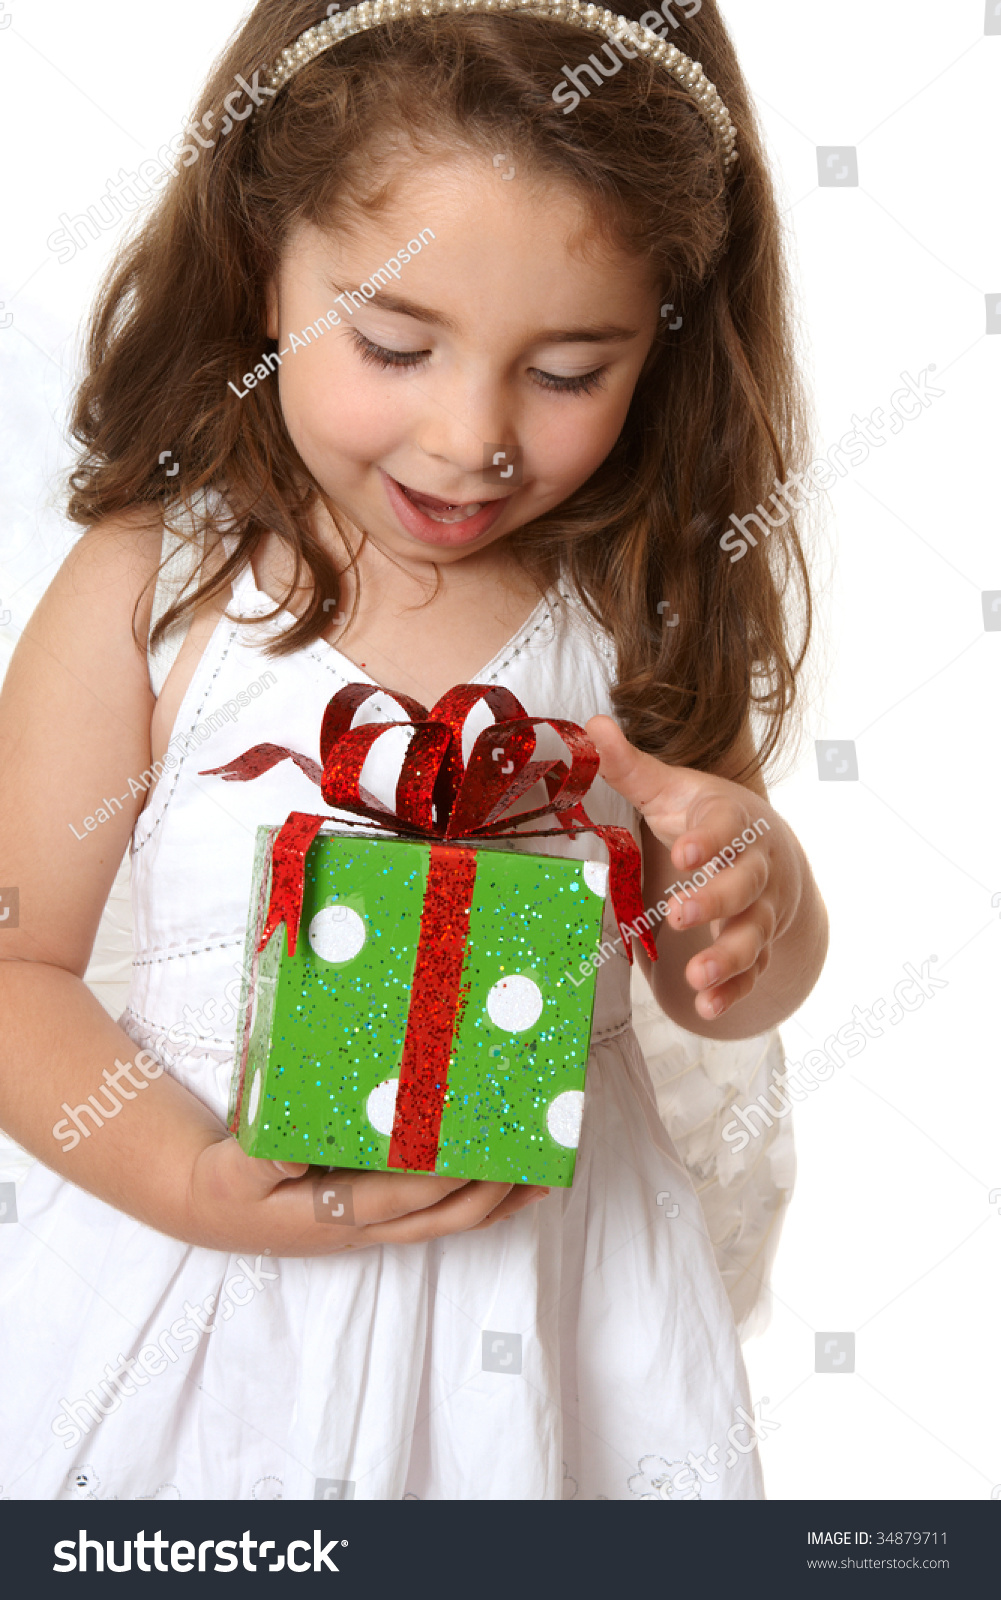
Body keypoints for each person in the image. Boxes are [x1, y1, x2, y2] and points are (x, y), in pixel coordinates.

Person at [0, 0, 827, 1501]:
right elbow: (13, 966)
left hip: (555, 1317)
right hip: (202, 1296)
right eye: (390, 341)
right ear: (261, 269)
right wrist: (189, 1183)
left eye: (569, 369)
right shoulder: (158, 585)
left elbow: (719, 988)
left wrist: (746, 896)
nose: (467, 437)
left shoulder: (629, 606)